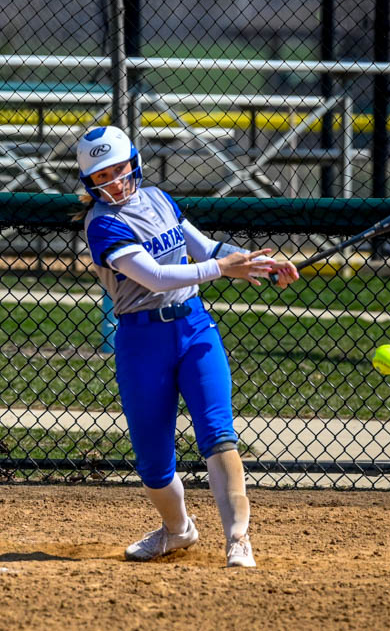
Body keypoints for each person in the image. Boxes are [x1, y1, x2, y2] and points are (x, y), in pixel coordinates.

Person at [76, 126, 298, 568]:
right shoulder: (102, 223)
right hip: (142, 341)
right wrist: (221, 268)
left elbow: (207, 248)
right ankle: (178, 530)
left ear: (134, 163)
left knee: (218, 435)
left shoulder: (159, 198)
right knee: (154, 463)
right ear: (90, 183)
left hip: (195, 329)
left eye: (119, 170)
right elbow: (155, 277)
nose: (114, 182)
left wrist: (258, 262)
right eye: (102, 177)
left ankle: (238, 539)